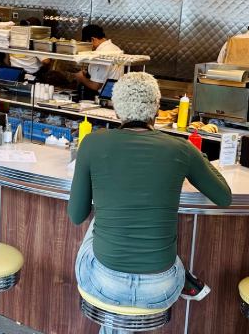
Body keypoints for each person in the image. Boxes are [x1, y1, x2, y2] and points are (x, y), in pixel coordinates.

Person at [68, 72, 232, 321]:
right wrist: (199, 159)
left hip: (103, 284)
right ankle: (184, 278)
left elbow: (76, 215)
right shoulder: (181, 149)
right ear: (156, 109)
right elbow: (224, 197)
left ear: (116, 108)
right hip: (162, 290)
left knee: (98, 222)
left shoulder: (92, 143)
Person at [74, 24, 123, 97]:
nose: (88, 47)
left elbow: (96, 86)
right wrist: (88, 72)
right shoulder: (115, 48)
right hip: (116, 95)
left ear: (92, 39)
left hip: (104, 96)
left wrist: (81, 77)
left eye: (87, 43)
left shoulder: (99, 54)